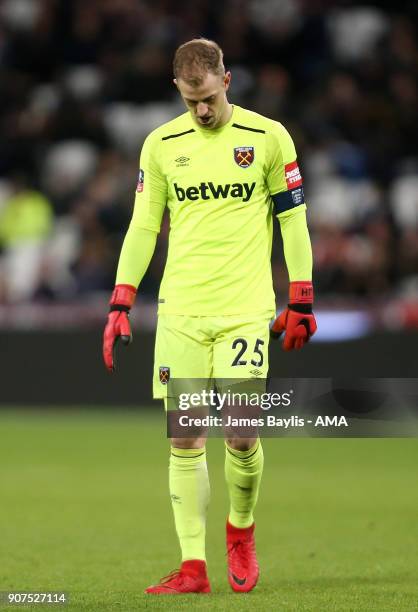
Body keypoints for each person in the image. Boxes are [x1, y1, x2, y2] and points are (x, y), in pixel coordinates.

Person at [103, 38, 317, 595]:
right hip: (182, 312)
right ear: (178, 89)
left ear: (227, 79)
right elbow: (144, 226)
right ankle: (193, 568)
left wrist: (302, 296)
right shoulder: (160, 145)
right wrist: (121, 299)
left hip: (247, 309)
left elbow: (293, 222)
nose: (201, 111)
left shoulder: (268, 137)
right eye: (189, 99)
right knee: (186, 436)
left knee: (242, 435)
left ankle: (240, 532)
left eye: (208, 97)